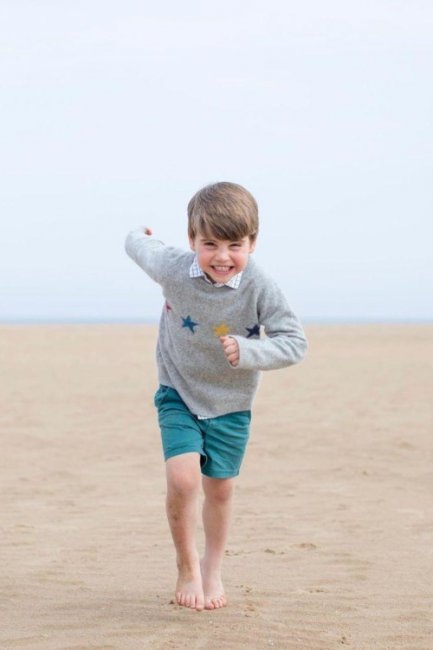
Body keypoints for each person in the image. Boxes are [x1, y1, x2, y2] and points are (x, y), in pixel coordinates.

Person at [125, 181, 307, 612]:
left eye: (234, 245)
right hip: (178, 391)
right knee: (183, 480)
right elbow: (138, 247)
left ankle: (212, 567)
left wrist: (250, 352)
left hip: (231, 403)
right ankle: (187, 565)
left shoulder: (260, 286)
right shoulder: (173, 267)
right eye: (210, 244)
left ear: (252, 243)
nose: (222, 257)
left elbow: (295, 343)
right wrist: (139, 233)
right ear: (192, 240)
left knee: (220, 491)